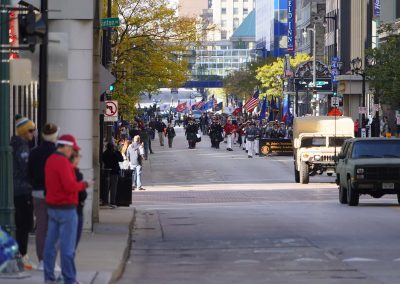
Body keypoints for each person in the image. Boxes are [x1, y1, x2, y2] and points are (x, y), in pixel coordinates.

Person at [43, 134, 90, 284]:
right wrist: (85, 184)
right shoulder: (63, 162)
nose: (72, 152)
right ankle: (69, 279)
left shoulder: (50, 160)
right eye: (72, 149)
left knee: (50, 245)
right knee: (67, 248)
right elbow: (70, 186)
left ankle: (49, 277)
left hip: (52, 207)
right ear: (66, 147)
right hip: (67, 208)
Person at [28, 123, 59, 271]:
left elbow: (29, 174)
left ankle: (42, 260)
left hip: (38, 192)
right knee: (54, 228)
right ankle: (51, 260)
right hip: (54, 194)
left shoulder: (34, 152)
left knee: (41, 227)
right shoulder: (57, 153)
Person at [10, 115, 36, 270]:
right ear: (23, 132)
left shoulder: (13, 144)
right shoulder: (22, 147)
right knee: (25, 224)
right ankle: (22, 255)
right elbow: (27, 169)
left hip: (14, 189)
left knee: (19, 224)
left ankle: (18, 254)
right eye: (31, 130)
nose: (33, 133)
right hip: (22, 190)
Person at [70, 150, 87, 248]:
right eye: (78, 156)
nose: (79, 158)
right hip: (74, 208)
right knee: (71, 243)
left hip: (70, 208)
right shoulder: (75, 173)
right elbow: (82, 194)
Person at [102, 142, 124, 207]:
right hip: (114, 172)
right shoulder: (116, 153)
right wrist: (117, 153)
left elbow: (103, 160)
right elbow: (121, 159)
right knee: (113, 187)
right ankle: (112, 201)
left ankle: (105, 200)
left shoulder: (105, 153)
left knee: (106, 187)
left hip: (107, 171)